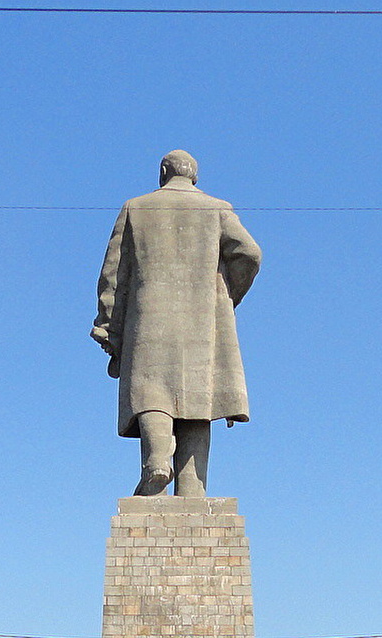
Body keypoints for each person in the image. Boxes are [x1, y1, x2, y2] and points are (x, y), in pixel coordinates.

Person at [93, 150, 262, 498]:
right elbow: (250, 253)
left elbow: (113, 275)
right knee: (200, 400)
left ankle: (156, 461)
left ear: (163, 173)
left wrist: (109, 324)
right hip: (204, 322)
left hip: (148, 319)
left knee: (153, 390)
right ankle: (192, 489)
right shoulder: (217, 208)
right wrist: (228, 295)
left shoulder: (135, 208)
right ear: (193, 176)